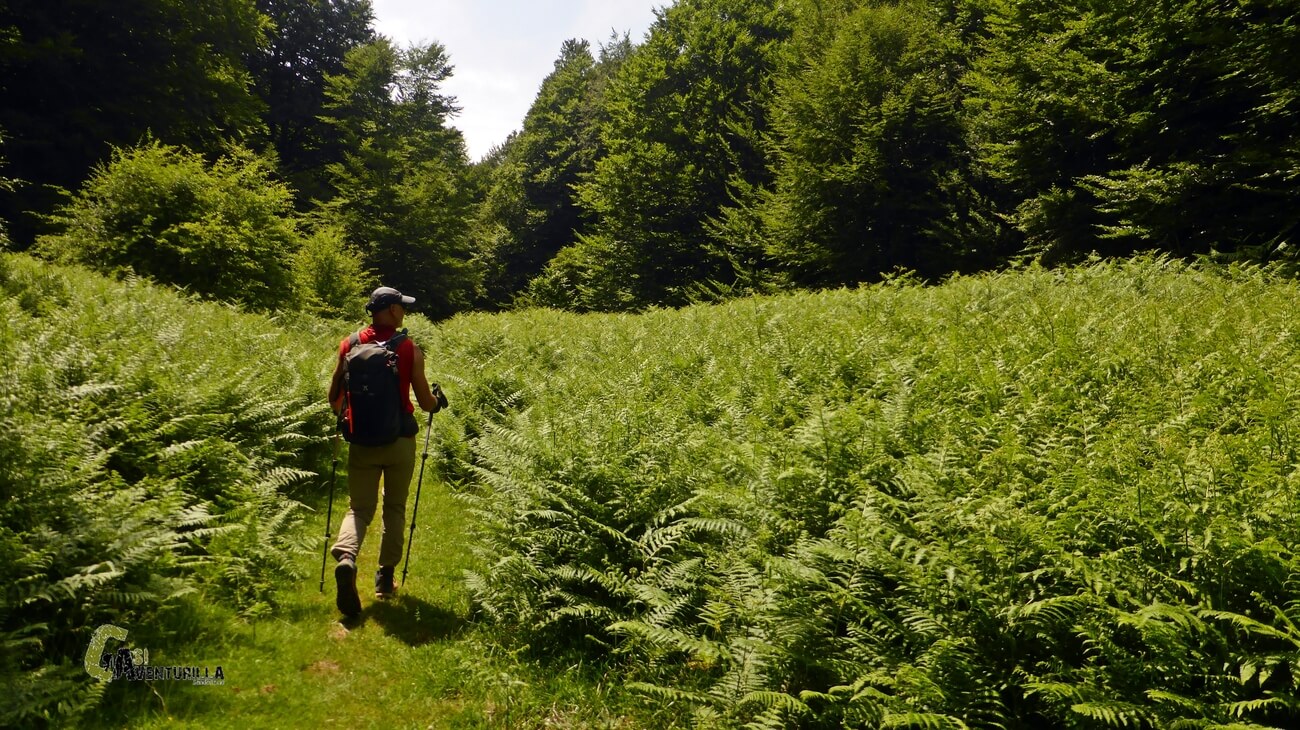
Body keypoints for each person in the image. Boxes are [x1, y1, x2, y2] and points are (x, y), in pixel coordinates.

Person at [327, 286, 441, 617]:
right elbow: (425, 402)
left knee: (359, 508)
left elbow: (334, 397)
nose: (403, 311)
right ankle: (385, 579)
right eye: (401, 307)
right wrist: (438, 401)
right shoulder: (408, 349)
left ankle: (346, 557)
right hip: (399, 441)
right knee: (394, 507)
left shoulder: (349, 344)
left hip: (361, 441)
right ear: (391, 310)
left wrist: (349, 421)